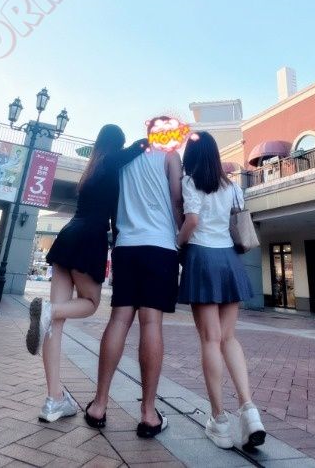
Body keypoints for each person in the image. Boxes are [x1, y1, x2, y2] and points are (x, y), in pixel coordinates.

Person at [25, 124, 147, 422]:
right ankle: (49, 310)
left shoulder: (92, 168)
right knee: (90, 303)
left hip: (68, 235)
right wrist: (156, 137)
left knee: (54, 324)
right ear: (117, 143)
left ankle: (54, 400)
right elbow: (141, 146)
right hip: (90, 237)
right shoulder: (113, 161)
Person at [85, 117, 183, 438]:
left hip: (126, 246)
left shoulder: (124, 160)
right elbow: (177, 198)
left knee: (118, 320)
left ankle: (99, 405)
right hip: (160, 246)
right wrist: (180, 232)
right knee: (151, 323)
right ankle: (148, 414)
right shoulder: (170, 156)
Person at [177, 131, 266, 450]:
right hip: (229, 259)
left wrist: (177, 243)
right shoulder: (232, 186)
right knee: (229, 338)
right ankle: (249, 410)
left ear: (191, 156)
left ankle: (219, 420)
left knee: (210, 340)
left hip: (202, 258)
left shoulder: (190, 182)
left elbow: (191, 221)